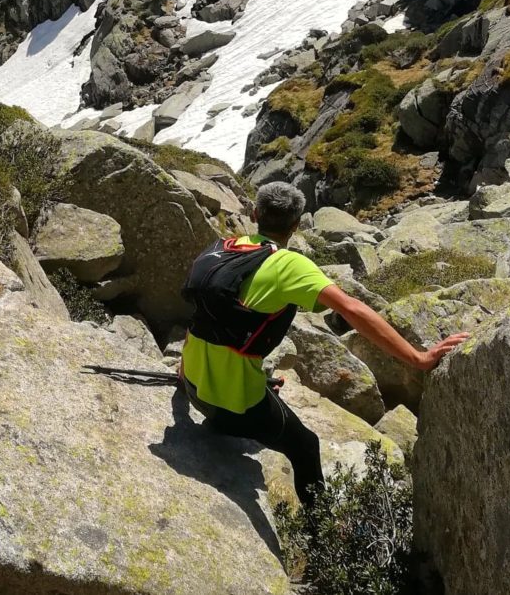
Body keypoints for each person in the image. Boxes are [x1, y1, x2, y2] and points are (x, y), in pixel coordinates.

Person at [180, 181, 469, 507]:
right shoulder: (288, 264)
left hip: (191, 384)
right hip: (230, 408)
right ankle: (319, 533)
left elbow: (201, 316)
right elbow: (352, 308)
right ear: (296, 224)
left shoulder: (224, 245)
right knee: (306, 445)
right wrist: (418, 357)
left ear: (255, 213)